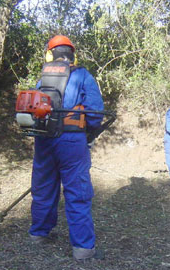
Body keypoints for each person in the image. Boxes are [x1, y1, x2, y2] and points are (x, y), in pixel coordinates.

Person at [28, 35, 105, 260]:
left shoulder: (42, 79)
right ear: (73, 54)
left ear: (50, 54)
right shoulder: (82, 75)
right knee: (77, 192)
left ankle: (38, 234)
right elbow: (94, 113)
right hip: (72, 141)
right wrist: (88, 132)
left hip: (44, 140)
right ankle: (82, 248)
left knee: (43, 187)